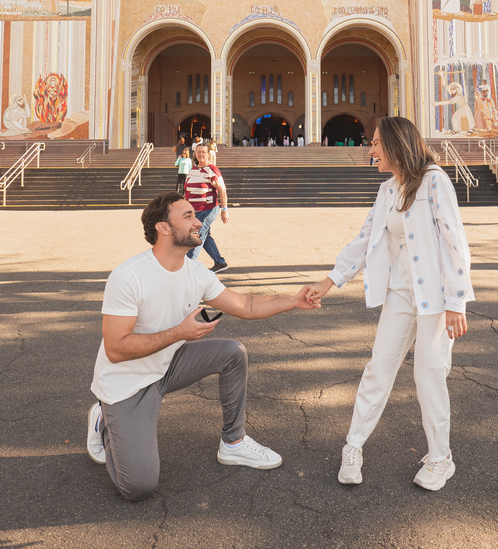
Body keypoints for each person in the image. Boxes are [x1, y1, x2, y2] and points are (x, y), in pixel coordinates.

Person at [86, 191, 321, 501]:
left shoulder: (196, 272)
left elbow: (246, 305)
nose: (198, 222)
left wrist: (293, 301)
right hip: (126, 383)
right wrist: (179, 333)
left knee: (232, 353)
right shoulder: (129, 276)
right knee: (138, 487)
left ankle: (234, 443)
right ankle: (103, 420)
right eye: (188, 216)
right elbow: (116, 349)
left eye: (195, 215)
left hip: (166, 366)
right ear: (164, 228)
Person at [308, 116, 472, 492]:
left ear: (398, 145)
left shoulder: (434, 180)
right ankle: (353, 447)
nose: (372, 150)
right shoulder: (386, 190)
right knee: (378, 369)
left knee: (429, 375)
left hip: (436, 299)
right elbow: (365, 240)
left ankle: (440, 457)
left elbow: (454, 242)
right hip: (400, 294)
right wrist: (329, 281)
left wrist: (457, 302)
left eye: (377, 143)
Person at [185, 144, 229, 272]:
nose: (201, 154)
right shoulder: (193, 169)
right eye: (198, 152)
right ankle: (220, 263)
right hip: (195, 211)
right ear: (195, 154)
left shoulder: (212, 169)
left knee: (198, 235)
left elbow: (222, 189)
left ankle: (188, 267)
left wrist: (224, 210)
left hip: (208, 209)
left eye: (203, 152)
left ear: (208, 154)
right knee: (206, 236)